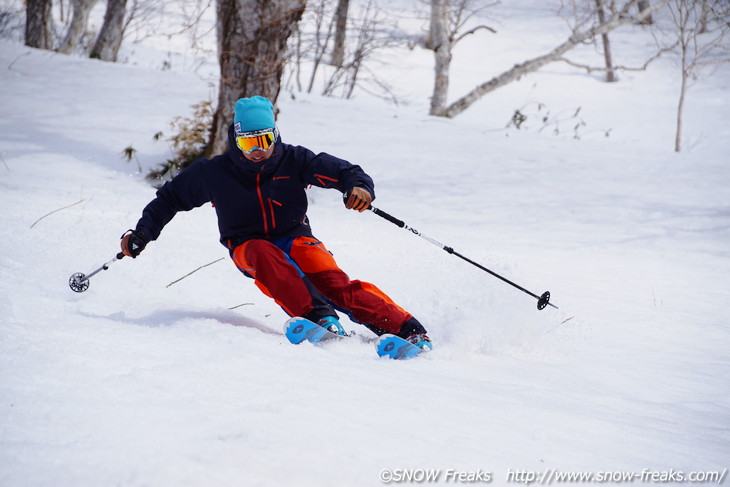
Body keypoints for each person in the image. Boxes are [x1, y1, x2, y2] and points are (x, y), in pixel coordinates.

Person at [121, 95, 432, 350]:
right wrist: (144, 233)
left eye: (265, 140)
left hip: (295, 235)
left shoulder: (293, 159)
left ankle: (407, 329)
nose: (258, 151)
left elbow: (346, 172)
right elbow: (170, 199)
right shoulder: (213, 173)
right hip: (245, 243)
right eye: (248, 144)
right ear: (235, 142)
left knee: (332, 282)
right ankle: (318, 318)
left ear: (276, 135)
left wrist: (358, 188)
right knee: (266, 256)